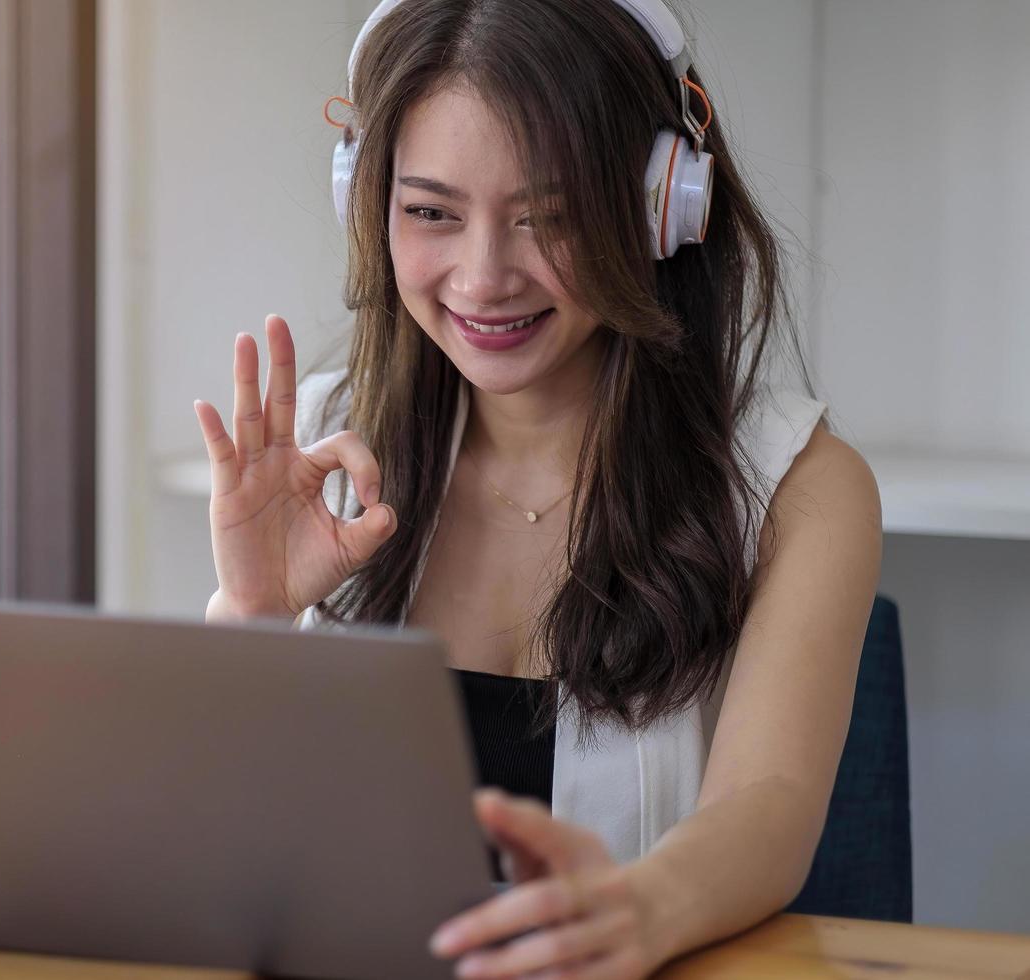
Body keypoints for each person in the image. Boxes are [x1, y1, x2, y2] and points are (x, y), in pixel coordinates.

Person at [192, 0, 882, 976]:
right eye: (431, 211)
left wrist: (635, 909)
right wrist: (252, 614)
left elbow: (766, 808)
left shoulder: (798, 486)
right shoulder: (315, 448)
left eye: (548, 219)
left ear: (661, 205)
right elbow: (225, 859)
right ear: (367, 201)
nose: (482, 277)